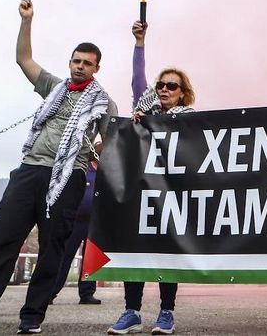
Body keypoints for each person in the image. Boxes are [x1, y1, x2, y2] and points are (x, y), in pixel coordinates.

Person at [0, 0, 117, 336]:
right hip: (30, 170)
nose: (80, 66)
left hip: (68, 176)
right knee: (1, 242)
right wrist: (27, 20)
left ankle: (32, 317)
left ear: (96, 69)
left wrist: (92, 152)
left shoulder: (105, 103)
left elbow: (107, 143)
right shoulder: (54, 87)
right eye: (76, 61)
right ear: (70, 62)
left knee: (53, 249)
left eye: (87, 63)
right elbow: (23, 58)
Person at [107, 21, 198, 336]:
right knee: (135, 249)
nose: (164, 89)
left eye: (172, 86)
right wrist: (140, 43)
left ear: (183, 93)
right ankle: (131, 312)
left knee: (165, 253)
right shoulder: (141, 117)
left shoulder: (192, 121)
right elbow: (137, 80)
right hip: (139, 193)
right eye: (161, 84)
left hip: (171, 196)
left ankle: (166, 313)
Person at [50, 163, 100, 305]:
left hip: (95, 221)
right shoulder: (83, 167)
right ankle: (51, 291)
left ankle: (87, 293)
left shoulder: (105, 171)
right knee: (65, 254)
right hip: (75, 219)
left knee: (91, 258)